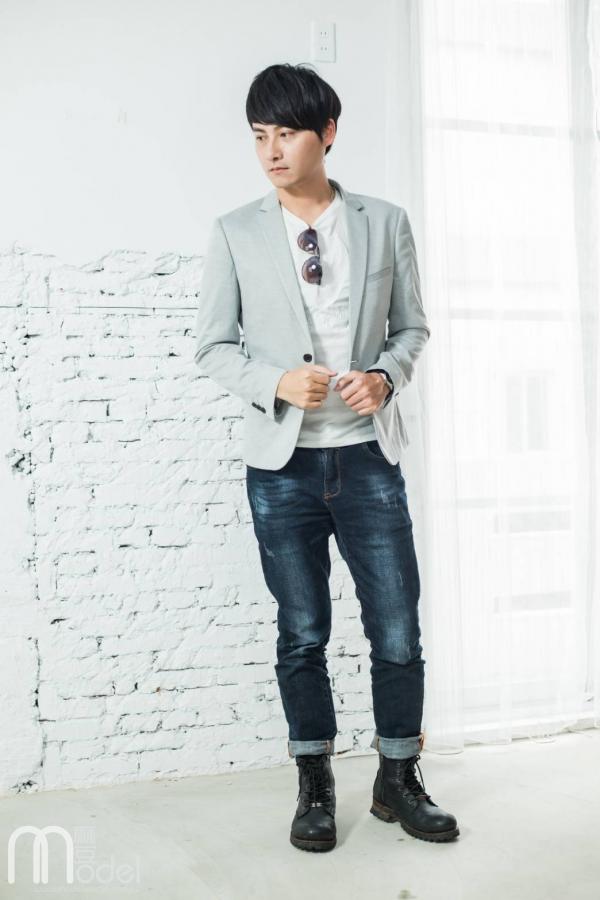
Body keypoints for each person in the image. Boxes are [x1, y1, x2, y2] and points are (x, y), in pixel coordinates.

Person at [194, 62, 459, 851]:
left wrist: (385, 377)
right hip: (282, 469)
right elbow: (212, 347)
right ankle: (314, 784)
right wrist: (276, 380)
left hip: (369, 459)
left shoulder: (384, 222)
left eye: (287, 133)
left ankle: (399, 778)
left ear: (328, 133)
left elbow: (412, 328)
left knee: (397, 628)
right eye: (259, 136)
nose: (271, 151)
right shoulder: (235, 232)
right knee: (302, 631)